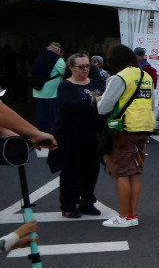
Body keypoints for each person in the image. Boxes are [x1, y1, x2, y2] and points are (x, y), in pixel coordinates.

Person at [97, 44, 153, 228]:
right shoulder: (145, 76)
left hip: (125, 128)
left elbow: (103, 108)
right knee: (135, 172)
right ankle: (132, 215)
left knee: (121, 171)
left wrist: (98, 100)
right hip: (144, 126)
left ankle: (123, 216)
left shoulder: (119, 78)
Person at [49, 53, 105, 219]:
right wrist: (93, 102)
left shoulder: (95, 84)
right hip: (71, 137)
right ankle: (68, 205)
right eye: (81, 67)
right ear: (71, 68)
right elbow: (67, 106)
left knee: (91, 171)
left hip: (93, 135)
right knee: (71, 172)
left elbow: (105, 102)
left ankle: (87, 202)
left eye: (88, 66)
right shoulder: (65, 86)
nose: (85, 70)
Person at [30, 42, 65, 133]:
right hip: (52, 92)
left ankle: (40, 133)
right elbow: (64, 73)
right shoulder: (58, 59)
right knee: (53, 115)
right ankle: (51, 134)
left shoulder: (39, 57)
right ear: (57, 50)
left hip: (38, 90)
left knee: (41, 114)